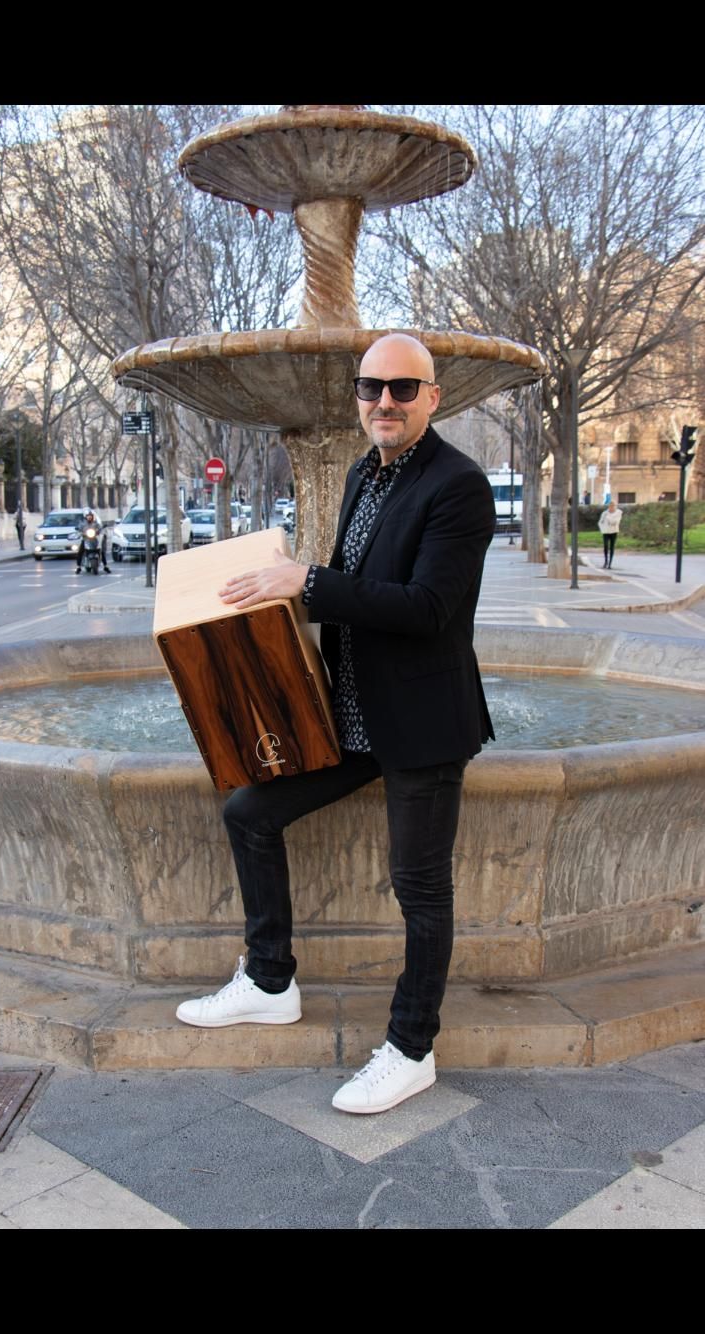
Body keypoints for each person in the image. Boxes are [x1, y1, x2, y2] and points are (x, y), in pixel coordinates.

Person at [176, 333, 496, 1115]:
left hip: (421, 722)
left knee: (419, 889)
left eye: (401, 388)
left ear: (432, 397)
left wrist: (309, 581)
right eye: (369, 388)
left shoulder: (460, 486)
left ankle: (412, 1046)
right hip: (350, 716)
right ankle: (268, 979)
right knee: (249, 812)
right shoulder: (364, 473)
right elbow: (351, 585)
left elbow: (426, 610)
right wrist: (277, 594)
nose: (383, 402)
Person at [75, 509, 111, 573]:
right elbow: (79, 530)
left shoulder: (96, 524)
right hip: (86, 539)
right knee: (80, 551)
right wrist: (80, 532)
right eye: (88, 516)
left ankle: (105, 566)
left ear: (92, 516)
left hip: (95, 540)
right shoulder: (83, 524)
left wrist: (101, 530)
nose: (89, 517)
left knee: (101, 551)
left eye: (90, 515)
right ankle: (78, 567)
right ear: (85, 517)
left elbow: (100, 529)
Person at [598, 499, 622, 569]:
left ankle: (610, 563)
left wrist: (608, 518)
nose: (611, 507)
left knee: (612, 547)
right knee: (605, 546)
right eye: (610, 506)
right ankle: (606, 561)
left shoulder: (618, 513)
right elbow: (600, 522)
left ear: (615, 506)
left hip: (614, 531)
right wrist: (602, 529)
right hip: (606, 531)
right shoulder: (604, 513)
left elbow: (615, 522)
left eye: (613, 506)